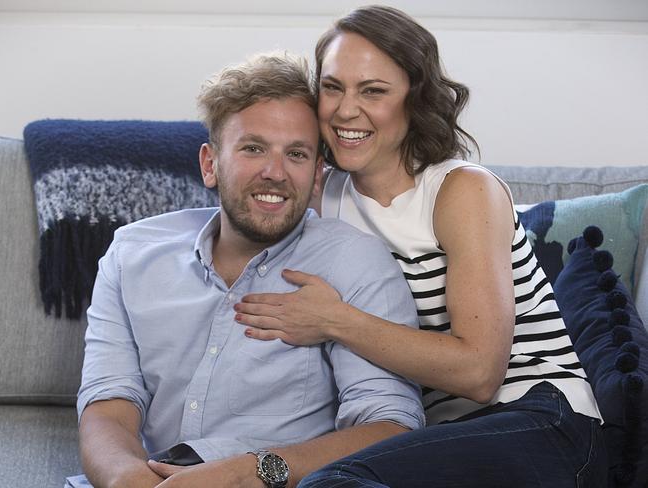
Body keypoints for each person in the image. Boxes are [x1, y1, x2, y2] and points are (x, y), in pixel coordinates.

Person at [234, 6, 608, 487]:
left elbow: (479, 372)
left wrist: (333, 320)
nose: (346, 110)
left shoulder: (461, 191)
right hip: (428, 436)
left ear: (415, 98)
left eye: (373, 91)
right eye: (332, 87)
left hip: (540, 417)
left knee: (332, 482)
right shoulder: (324, 197)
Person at [68, 53, 425, 488]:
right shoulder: (132, 253)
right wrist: (127, 481)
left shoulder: (355, 263)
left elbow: (392, 426)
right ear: (210, 164)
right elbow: (108, 402)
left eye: (295, 154)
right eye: (253, 148)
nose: (275, 173)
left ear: (317, 175)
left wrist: (253, 471)